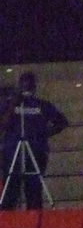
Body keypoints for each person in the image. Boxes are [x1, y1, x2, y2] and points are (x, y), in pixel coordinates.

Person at [1, 72, 68, 211]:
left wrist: (43, 134)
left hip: (36, 151)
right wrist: (14, 103)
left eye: (29, 85)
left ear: (34, 87)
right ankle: (7, 221)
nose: (26, 88)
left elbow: (61, 122)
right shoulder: (8, 104)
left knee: (34, 190)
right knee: (10, 191)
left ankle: (34, 220)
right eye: (23, 85)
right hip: (13, 152)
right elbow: (3, 124)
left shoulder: (42, 105)